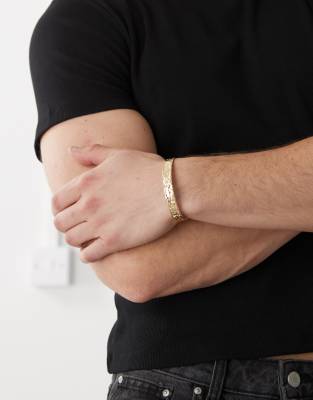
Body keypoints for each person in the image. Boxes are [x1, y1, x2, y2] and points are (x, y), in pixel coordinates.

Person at [29, 0, 313, 398]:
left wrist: (171, 186)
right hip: (187, 384)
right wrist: (296, 185)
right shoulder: (84, 20)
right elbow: (139, 267)